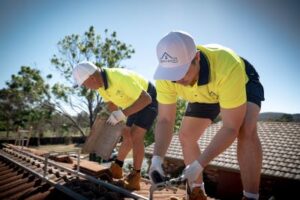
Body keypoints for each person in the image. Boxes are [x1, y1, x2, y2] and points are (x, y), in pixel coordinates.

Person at [149, 31, 264, 200]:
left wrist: (198, 165)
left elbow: (230, 127)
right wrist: (157, 159)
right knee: (186, 135)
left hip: (240, 81)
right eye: (172, 75)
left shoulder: (227, 66)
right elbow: (165, 120)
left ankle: (251, 196)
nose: (177, 80)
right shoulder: (166, 76)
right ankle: (197, 192)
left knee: (245, 130)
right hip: (204, 92)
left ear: (196, 57)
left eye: (182, 72)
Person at [73, 61, 158, 190]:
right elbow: (112, 104)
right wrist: (119, 121)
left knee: (136, 136)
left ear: (92, 78)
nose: (86, 87)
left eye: (84, 84)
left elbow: (146, 99)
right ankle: (117, 167)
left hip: (148, 99)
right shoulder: (100, 86)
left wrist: (122, 114)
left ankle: (135, 177)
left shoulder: (119, 78)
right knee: (126, 134)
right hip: (132, 103)